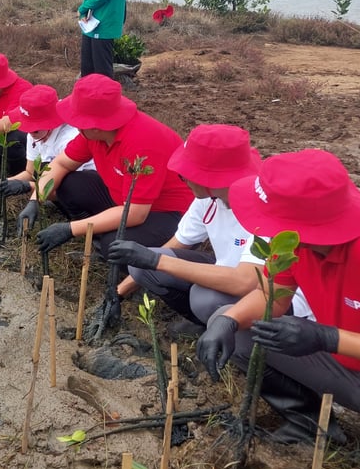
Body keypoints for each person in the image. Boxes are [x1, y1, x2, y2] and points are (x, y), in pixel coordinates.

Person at [195, 149, 360, 444]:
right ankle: (311, 424)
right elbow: (272, 297)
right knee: (244, 333)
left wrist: (327, 338)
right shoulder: (292, 242)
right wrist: (228, 320)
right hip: (342, 364)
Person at [106, 124, 311, 339]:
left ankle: (229, 334)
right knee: (144, 266)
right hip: (229, 274)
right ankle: (207, 324)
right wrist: (118, 292)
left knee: (204, 297)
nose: (183, 181)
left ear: (208, 180)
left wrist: (155, 260)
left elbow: (245, 281)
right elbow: (175, 245)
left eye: (185, 176)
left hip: (272, 298)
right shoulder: (208, 200)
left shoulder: (264, 209)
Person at [32, 74, 193, 258]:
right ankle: (96, 236)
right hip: (124, 201)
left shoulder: (142, 142)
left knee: (114, 245)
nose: (75, 126)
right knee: (69, 183)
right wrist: (35, 199)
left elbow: (135, 213)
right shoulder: (93, 136)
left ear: (95, 126)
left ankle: (104, 247)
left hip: (167, 214)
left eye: (78, 121)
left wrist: (70, 229)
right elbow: (61, 163)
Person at [0, 85, 94, 225]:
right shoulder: (35, 135)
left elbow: (68, 187)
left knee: (46, 168)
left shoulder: (68, 139)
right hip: (55, 187)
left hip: (86, 192)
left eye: (35, 129)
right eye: (27, 127)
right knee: (42, 170)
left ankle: (81, 221)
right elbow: (30, 171)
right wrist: (7, 183)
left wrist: (28, 187)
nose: (31, 133)